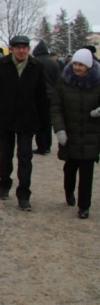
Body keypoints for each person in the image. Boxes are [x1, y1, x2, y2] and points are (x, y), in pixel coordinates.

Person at [0, 35, 49, 211]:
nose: (21, 50)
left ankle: (24, 194)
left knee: (25, 157)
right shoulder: (0, 65)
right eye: (18, 47)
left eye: (24, 47)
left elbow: (41, 95)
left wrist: (44, 121)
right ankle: (4, 183)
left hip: (27, 118)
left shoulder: (36, 67)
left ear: (29, 49)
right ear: (11, 48)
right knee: (6, 154)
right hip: (5, 116)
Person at [51, 49, 100, 219]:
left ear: (89, 66)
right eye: (75, 64)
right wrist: (59, 129)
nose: (77, 68)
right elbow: (56, 107)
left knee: (87, 173)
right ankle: (69, 190)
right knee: (70, 168)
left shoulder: (98, 82)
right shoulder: (64, 82)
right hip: (70, 134)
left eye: (81, 65)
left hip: (91, 135)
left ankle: (84, 206)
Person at [32, 40, 61, 155]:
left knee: (39, 121)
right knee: (48, 121)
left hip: (38, 96)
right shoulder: (54, 63)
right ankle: (48, 145)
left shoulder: (34, 62)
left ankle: (41, 146)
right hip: (51, 96)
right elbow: (58, 81)